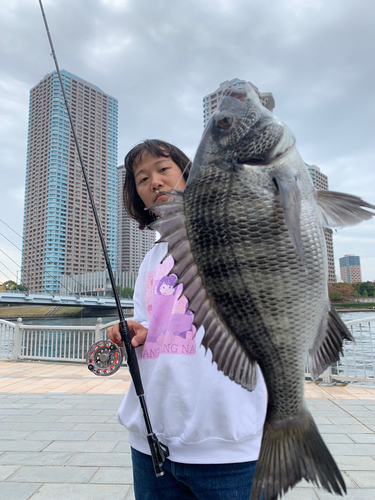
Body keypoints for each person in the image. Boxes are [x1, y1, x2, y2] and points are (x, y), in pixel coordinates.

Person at [107, 139, 267, 500]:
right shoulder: (151, 258)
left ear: (187, 174)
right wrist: (139, 330)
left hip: (229, 444)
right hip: (152, 440)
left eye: (164, 170)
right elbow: (149, 322)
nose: (155, 182)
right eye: (142, 178)